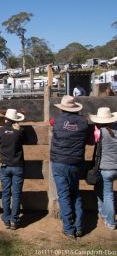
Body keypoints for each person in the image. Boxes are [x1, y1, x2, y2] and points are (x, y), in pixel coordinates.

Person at [50, 95, 91, 238]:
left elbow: (52, 123)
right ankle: (79, 227)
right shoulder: (84, 122)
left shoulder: (57, 121)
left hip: (59, 161)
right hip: (75, 162)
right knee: (75, 193)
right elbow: (89, 138)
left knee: (64, 195)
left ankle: (68, 228)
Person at [0, 109, 26, 230]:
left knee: (6, 193)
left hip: (4, 165)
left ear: (6, 119)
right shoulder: (20, 131)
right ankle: (14, 220)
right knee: (16, 194)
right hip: (17, 165)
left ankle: (6, 218)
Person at [89, 107, 117, 230]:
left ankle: (110, 221)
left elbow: (92, 141)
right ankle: (104, 214)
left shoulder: (100, 132)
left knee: (107, 194)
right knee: (103, 191)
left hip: (105, 168)